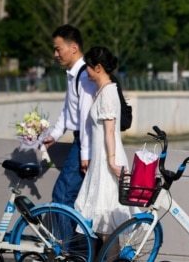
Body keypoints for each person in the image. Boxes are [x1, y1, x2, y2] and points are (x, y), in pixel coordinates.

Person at [74, 46, 134, 245]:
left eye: (88, 67)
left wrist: (111, 162)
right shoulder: (104, 90)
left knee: (106, 223)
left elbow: (109, 130)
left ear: (98, 67)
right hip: (104, 158)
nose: (86, 71)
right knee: (104, 224)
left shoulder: (107, 92)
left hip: (108, 159)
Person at [41, 25, 96, 208]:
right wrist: (54, 135)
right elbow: (68, 110)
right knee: (75, 199)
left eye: (58, 49)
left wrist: (85, 153)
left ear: (74, 48)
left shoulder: (84, 76)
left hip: (85, 142)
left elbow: (88, 119)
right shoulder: (74, 74)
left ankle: (65, 238)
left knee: (63, 195)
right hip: (81, 142)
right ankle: (77, 238)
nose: (55, 54)